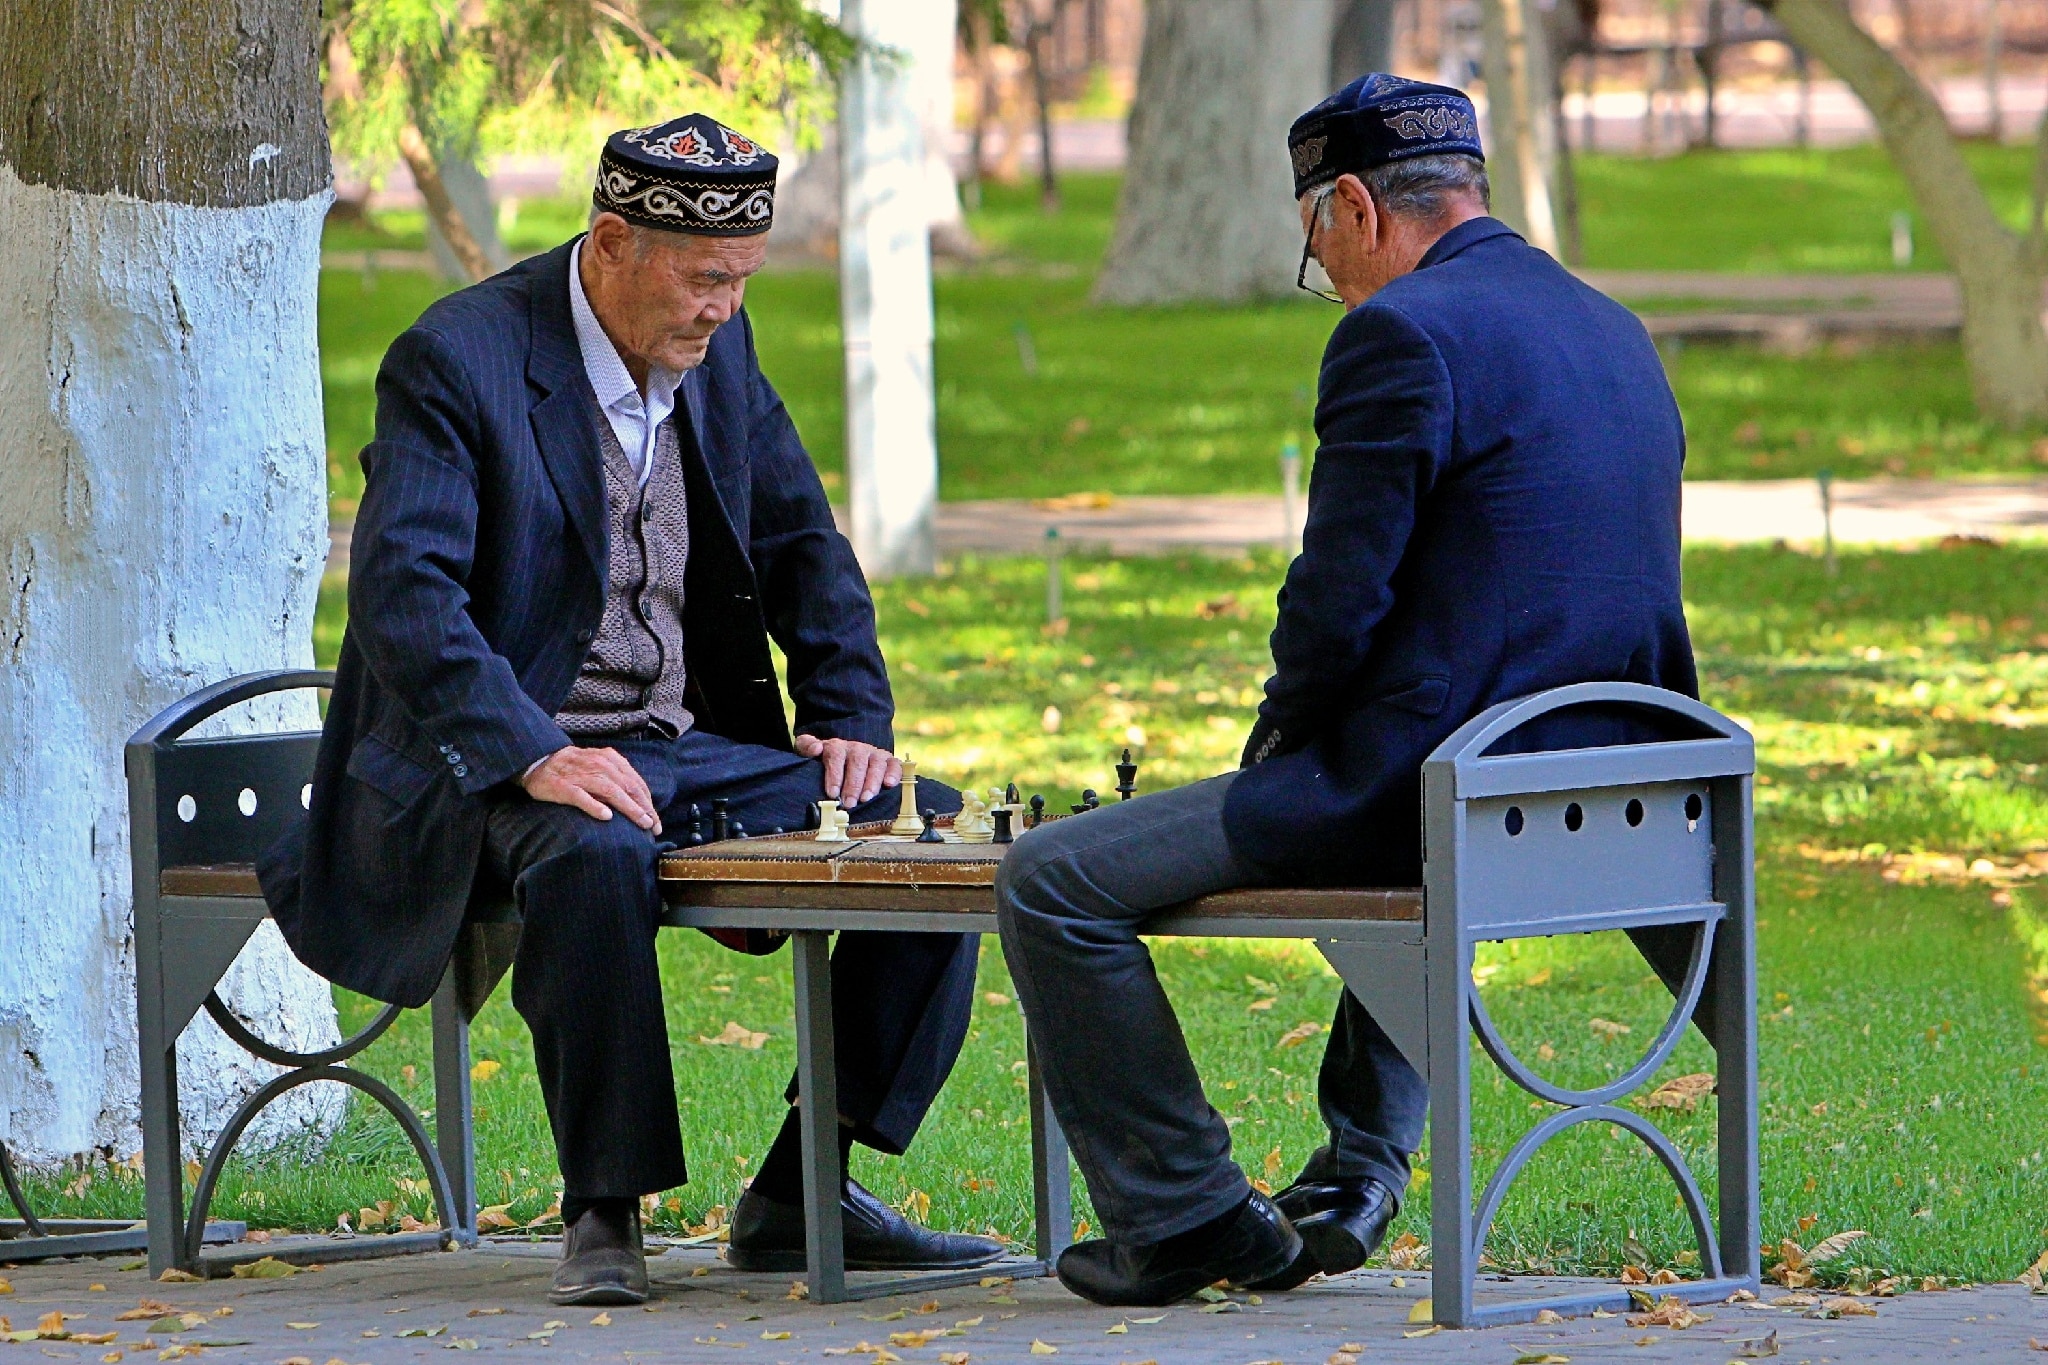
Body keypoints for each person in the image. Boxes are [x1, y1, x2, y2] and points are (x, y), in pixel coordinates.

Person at [260, 114, 1002, 1306]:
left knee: (932, 832)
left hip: (669, 746)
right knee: (593, 854)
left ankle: (803, 1189)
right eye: (705, 278)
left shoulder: (713, 347)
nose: (723, 307)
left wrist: (851, 713)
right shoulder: (458, 358)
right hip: (489, 761)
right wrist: (535, 751)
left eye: (740, 281)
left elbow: (802, 540)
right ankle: (602, 1210)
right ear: (610, 243)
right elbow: (403, 596)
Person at [995, 74, 1700, 1307]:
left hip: (1435, 784)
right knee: (1420, 831)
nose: (1324, 269)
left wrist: (1277, 744)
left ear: (1357, 208)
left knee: (1048, 881)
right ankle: (1359, 1175)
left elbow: (1334, 602)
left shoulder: (1399, 334)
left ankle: (1183, 1215)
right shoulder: (1609, 325)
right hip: (1619, 780)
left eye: (1313, 239)